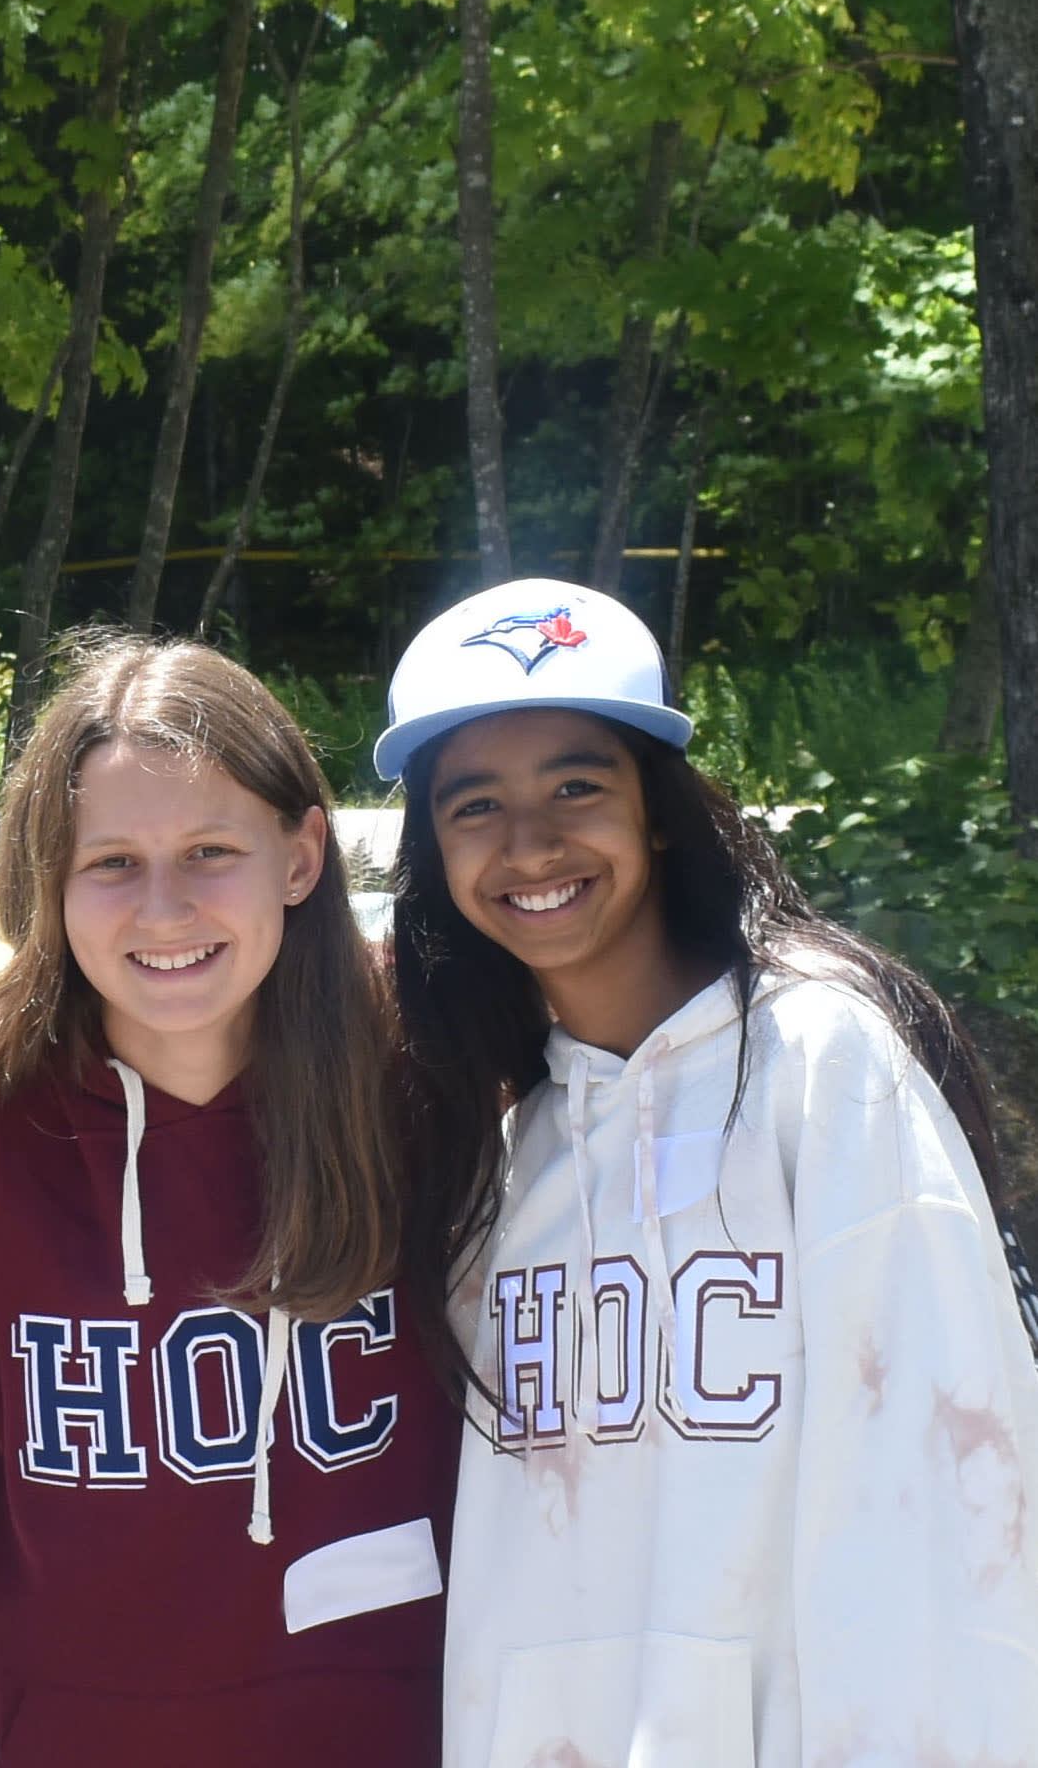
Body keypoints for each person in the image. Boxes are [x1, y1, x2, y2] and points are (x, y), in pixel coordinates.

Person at [380, 578, 1038, 1767]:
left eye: (575, 786)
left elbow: (949, 1489)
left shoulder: (819, 1062)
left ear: (660, 808)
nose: (528, 843)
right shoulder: (488, 1135)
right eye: (474, 805)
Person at [0, 635, 458, 1767]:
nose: (165, 908)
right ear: (46, 878)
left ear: (299, 854)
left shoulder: (424, 1092)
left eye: (208, 850)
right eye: (112, 863)